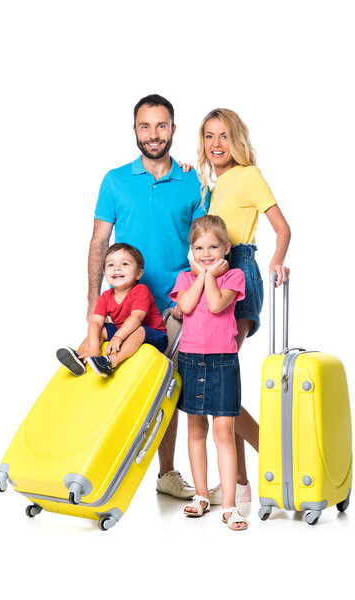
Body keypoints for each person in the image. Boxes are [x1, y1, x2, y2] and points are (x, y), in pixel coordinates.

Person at [79, 94, 209, 499]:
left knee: (167, 388)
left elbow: (209, 241)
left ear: (173, 128)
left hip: (173, 307)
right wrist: (90, 307)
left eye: (161, 126)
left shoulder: (194, 181)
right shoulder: (115, 179)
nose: (153, 135)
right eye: (145, 126)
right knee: (108, 382)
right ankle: (90, 470)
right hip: (121, 303)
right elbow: (99, 243)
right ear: (134, 130)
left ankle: (166, 473)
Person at [197, 108, 291, 504]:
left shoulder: (248, 176)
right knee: (222, 388)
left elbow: (282, 227)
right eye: (208, 136)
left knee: (221, 385)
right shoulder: (207, 186)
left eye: (224, 136)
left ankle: (273, 455)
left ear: (237, 140)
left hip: (239, 275)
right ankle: (240, 483)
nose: (216, 144)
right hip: (209, 280)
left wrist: (275, 260)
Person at [170, 215, 249, 529]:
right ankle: (201, 496)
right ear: (191, 250)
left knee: (223, 433)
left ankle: (229, 506)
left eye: (213, 247)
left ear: (226, 248)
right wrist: (204, 275)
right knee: (196, 431)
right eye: (199, 247)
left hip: (223, 361)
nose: (206, 253)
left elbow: (216, 306)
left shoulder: (234, 277)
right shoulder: (185, 279)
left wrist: (210, 276)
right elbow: (187, 306)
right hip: (190, 359)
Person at [56, 243, 168, 377]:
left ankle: (110, 362)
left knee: (139, 330)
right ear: (105, 273)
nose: (117, 268)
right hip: (123, 331)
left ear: (139, 273)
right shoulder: (105, 296)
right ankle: (80, 358)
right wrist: (95, 347)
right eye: (111, 265)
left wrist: (118, 337)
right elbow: (95, 322)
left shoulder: (141, 291)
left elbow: (136, 318)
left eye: (125, 264)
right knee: (101, 329)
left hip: (153, 335)